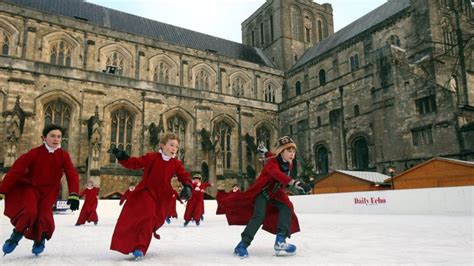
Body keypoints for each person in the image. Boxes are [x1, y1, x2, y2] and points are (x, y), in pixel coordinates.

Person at [216, 136, 312, 258]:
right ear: (282, 151)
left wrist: (266, 152)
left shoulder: (288, 162)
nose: (292, 154)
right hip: (263, 192)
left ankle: (280, 241)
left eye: (293, 152)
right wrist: (296, 183)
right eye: (289, 151)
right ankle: (242, 245)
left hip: (276, 192)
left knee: (287, 208)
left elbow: (271, 155)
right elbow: (277, 174)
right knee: (258, 216)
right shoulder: (272, 163)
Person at [109, 132, 193, 260]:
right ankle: (140, 248)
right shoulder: (152, 157)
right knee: (147, 216)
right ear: (162, 145)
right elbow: (135, 163)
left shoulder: (176, 163)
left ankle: (139, 244)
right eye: (171, 145)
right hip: (147, 192)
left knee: (153, 221)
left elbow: (184, 175)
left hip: (163, 196)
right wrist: (122, 156)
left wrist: (187, 186)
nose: (174, 149)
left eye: (176, 147)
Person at [0, 124, 80, 256]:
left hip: (50, 191)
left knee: (44, 216)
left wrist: (74, 194)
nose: (56, 139)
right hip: (31, 188)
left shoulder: (63, 156)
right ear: (44, 138)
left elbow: (71, 174)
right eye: (52, 136)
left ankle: (39, 240)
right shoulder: (34, 153)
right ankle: (16, 236)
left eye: (59, 137)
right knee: (29, 212)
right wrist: (2, 189)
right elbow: (16, 170)